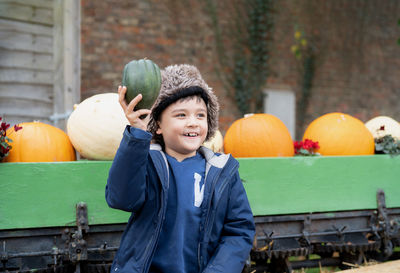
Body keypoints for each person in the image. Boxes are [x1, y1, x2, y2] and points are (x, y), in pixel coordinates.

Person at [105, 64, 255, 273]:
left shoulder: (222, 171)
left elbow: (239, 230)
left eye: (200, 115)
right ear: (158, 125)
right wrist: (137, 133)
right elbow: (120, 198)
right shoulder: (147, 162)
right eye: (181, 115)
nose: (193, 123)